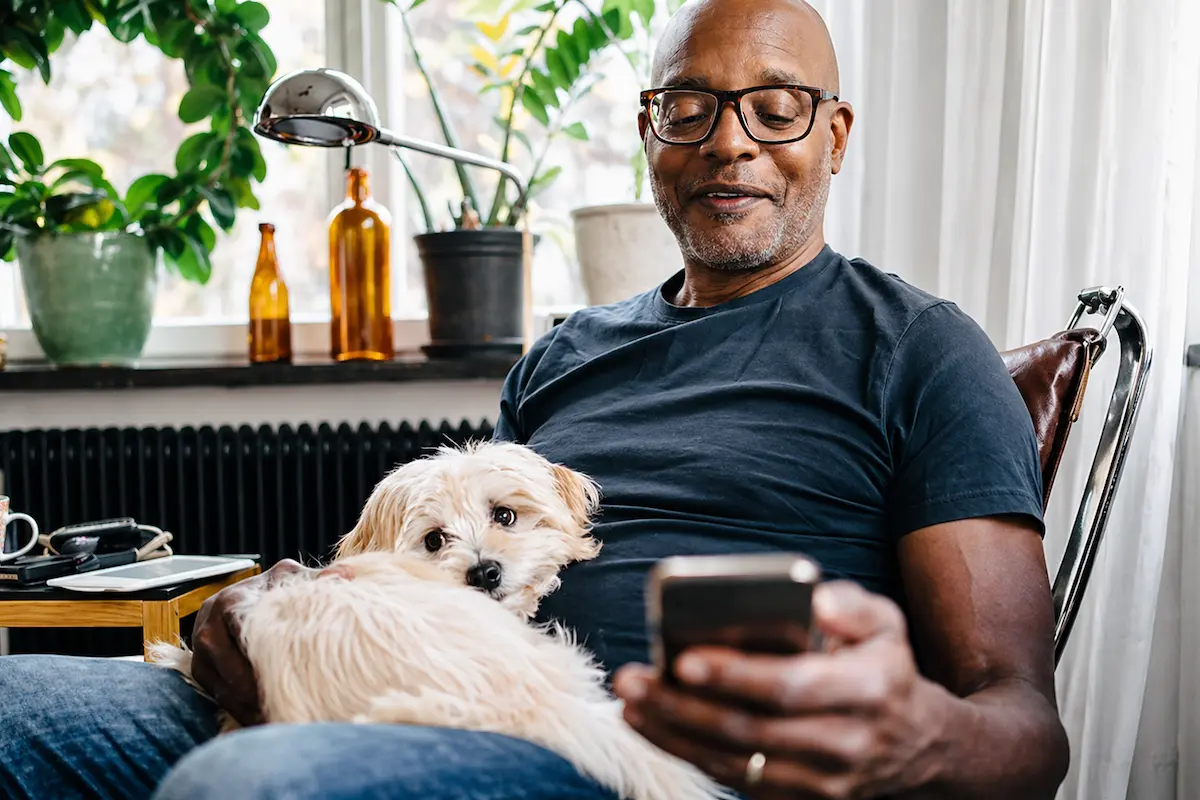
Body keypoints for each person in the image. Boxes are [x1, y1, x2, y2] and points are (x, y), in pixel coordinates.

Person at [0, 0, 1069, 798]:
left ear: (833, 135)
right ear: (651, 135)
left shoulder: (922, 350)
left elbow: (1025, 726)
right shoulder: (565, 352)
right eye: (689, 106)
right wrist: (272, 604)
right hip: (406, 695)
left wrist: (913, 730)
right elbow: (450, 563)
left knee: (251, 786)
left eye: (776, 108)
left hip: (615, 759)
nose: (730, 139)